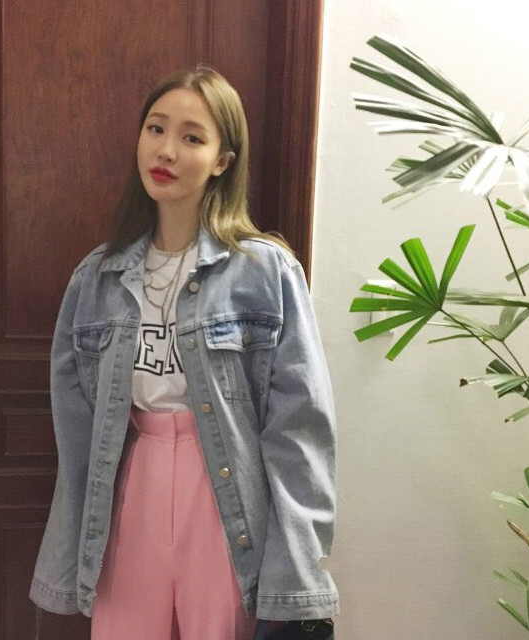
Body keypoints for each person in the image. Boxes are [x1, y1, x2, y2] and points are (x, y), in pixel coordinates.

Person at [29, 65, 339, 640]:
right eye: (155, 128)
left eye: (192, 137)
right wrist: (71, 544)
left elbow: (299, 428)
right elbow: (75, 431)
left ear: (223, 160)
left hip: (225, 492)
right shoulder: (97, 278)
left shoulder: (264, 272)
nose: (166, 150)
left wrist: (297, 568)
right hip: (130, 487)